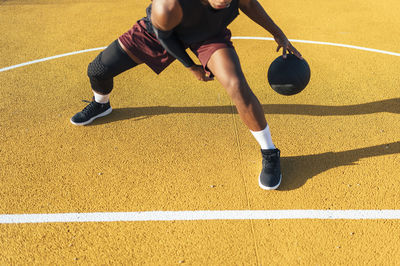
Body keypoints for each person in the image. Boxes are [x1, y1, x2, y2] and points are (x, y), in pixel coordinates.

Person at [70, 0, 303, 190]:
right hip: (160, 32)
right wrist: (192, 67)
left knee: (236, 84)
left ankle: (269, 151)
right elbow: (165, 37)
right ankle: (101, 104)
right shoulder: (167, 5)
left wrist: (279, 34)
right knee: (98, 70)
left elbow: (249, 4)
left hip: (207, 34)